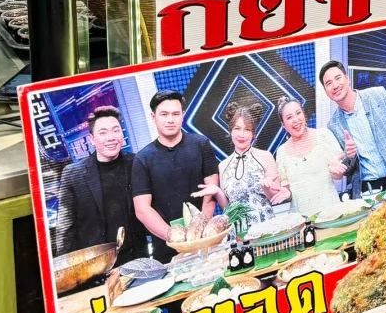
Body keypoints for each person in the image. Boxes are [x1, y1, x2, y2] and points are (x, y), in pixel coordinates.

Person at [132, 90, 219, 262]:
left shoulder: (201, 144)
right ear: (153, 117)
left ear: (183, 115)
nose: (170, 119)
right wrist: (177, 239)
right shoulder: (142, 159)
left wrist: (198, 236)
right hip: (166, 249)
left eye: (176, 114)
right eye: (164, 114)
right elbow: (142, 209)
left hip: (205, 242)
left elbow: (210, 193)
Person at [55, 106, 142, 262]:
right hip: (95, 264)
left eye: (116, 130)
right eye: (103, 133)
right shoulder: (73, 174)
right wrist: (65, 267)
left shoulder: (136, 163)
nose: (111, 137)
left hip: (136, 259)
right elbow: (65, 229)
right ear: (92, 139)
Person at [320, 60, 386, 195]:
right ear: (326, 91)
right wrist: (349, 155)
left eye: (338, 78)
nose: (335, 85)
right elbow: (347, 170)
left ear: (347, 79)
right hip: (367, 190)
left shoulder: (378, 95)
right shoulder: (333, 126)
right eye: (328, 83)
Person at [209, 100, 290, 226]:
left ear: (253, 133)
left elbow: (275, 198)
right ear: (231, 131)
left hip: (265, 227)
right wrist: (217, 191)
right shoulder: (223, 165)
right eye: (237, 128)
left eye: (247, 129)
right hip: (238, 231)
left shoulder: (265, 156)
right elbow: (228, 208)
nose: (241, 135)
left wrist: (266, 187)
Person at [274, 98, 350, 217]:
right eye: (289, 117)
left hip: (331, 215)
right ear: (283, 124)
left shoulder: (323, 136)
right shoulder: (281, 152)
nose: (296, 120)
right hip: (302, 221)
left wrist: (336, 171)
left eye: (298, 113)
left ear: (304, 114)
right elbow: (287, 191)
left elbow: (338, 176)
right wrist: (286, 193)